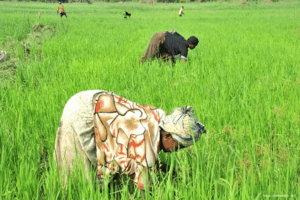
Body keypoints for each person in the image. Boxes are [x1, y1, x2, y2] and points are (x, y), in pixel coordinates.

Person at [54, 90, 206, 192]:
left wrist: (169, 169)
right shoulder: (146, 142)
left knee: (109, 160)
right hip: (83, 111)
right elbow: (145, 188)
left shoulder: (160, 121)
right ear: (167, 136)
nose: (176, 151)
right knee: (78, 177)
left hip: (98, 100)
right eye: (178, 146)